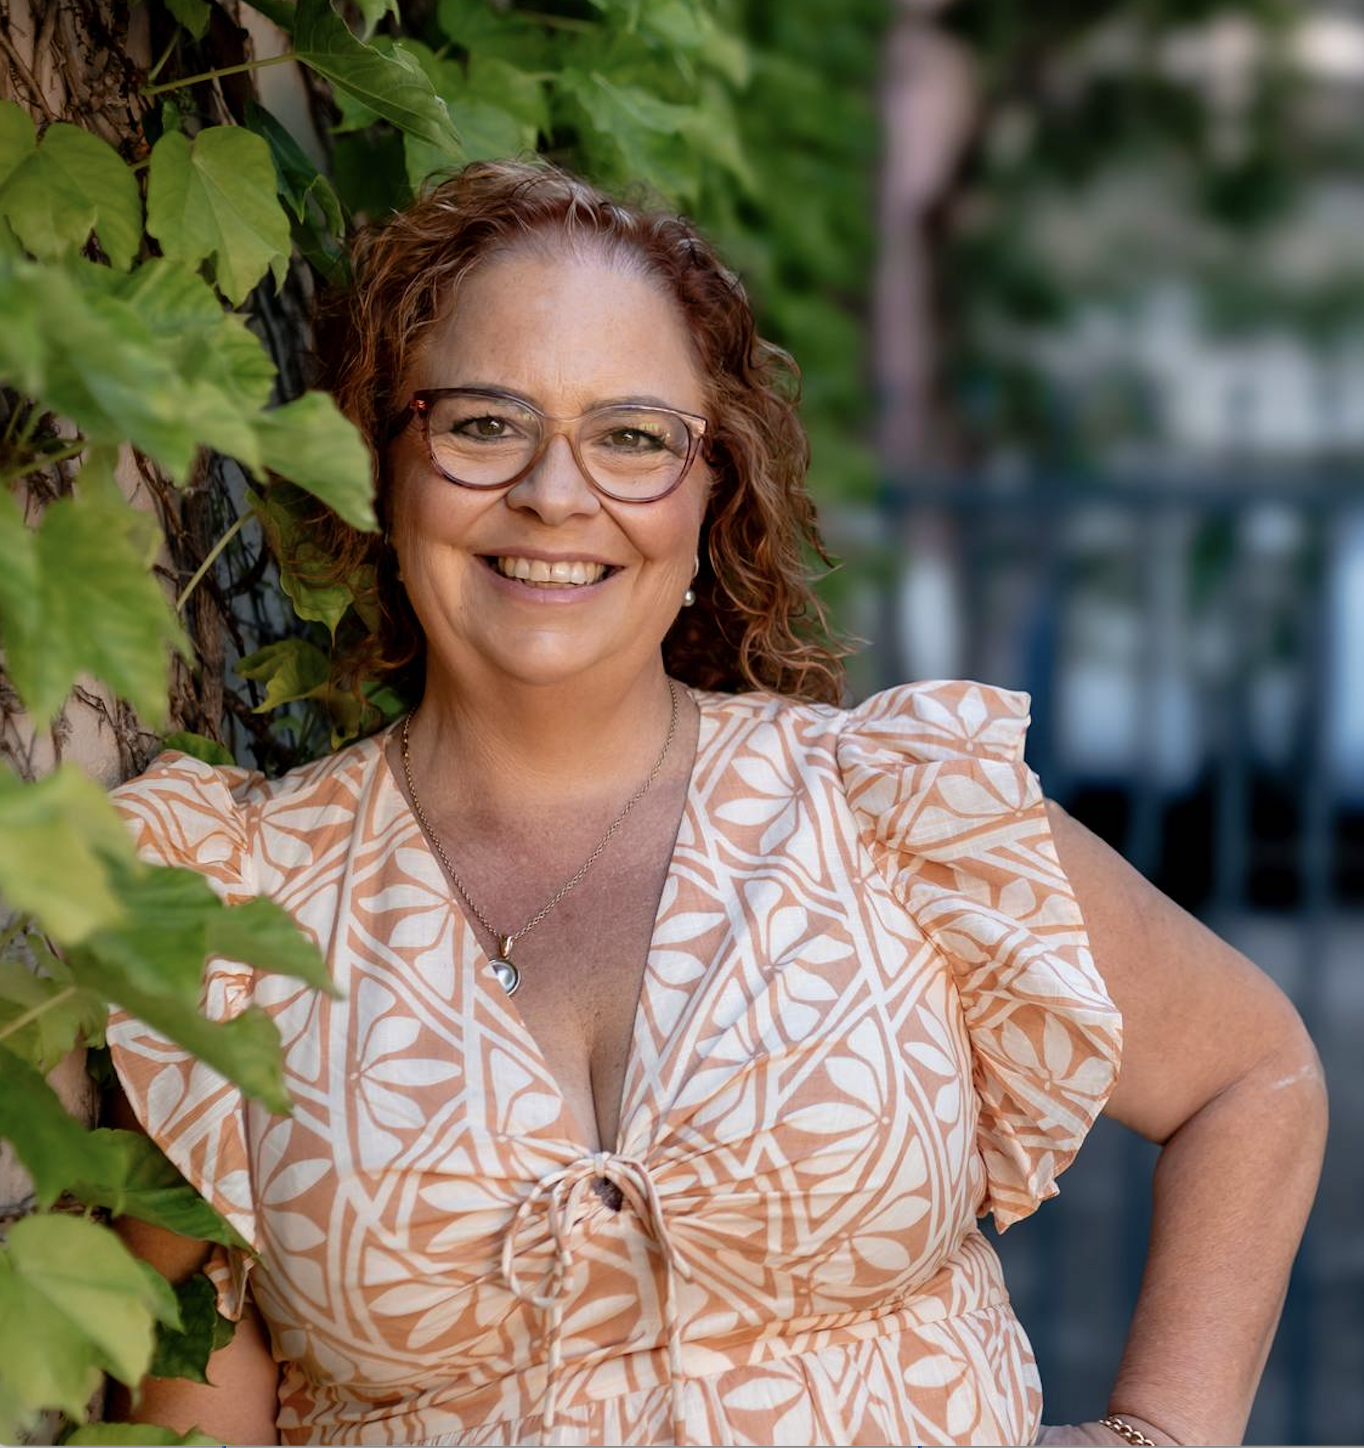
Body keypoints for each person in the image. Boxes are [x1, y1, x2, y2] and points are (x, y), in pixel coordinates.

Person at [106, 160, 1326, 1448]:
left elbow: (1253, 1073)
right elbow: (198, 1394)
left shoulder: (885, 811)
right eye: (482, 423)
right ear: (382, 460)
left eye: (632, 436)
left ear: (709, 492)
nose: (555, 494)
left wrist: (1157, 1436)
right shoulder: (234, 909)